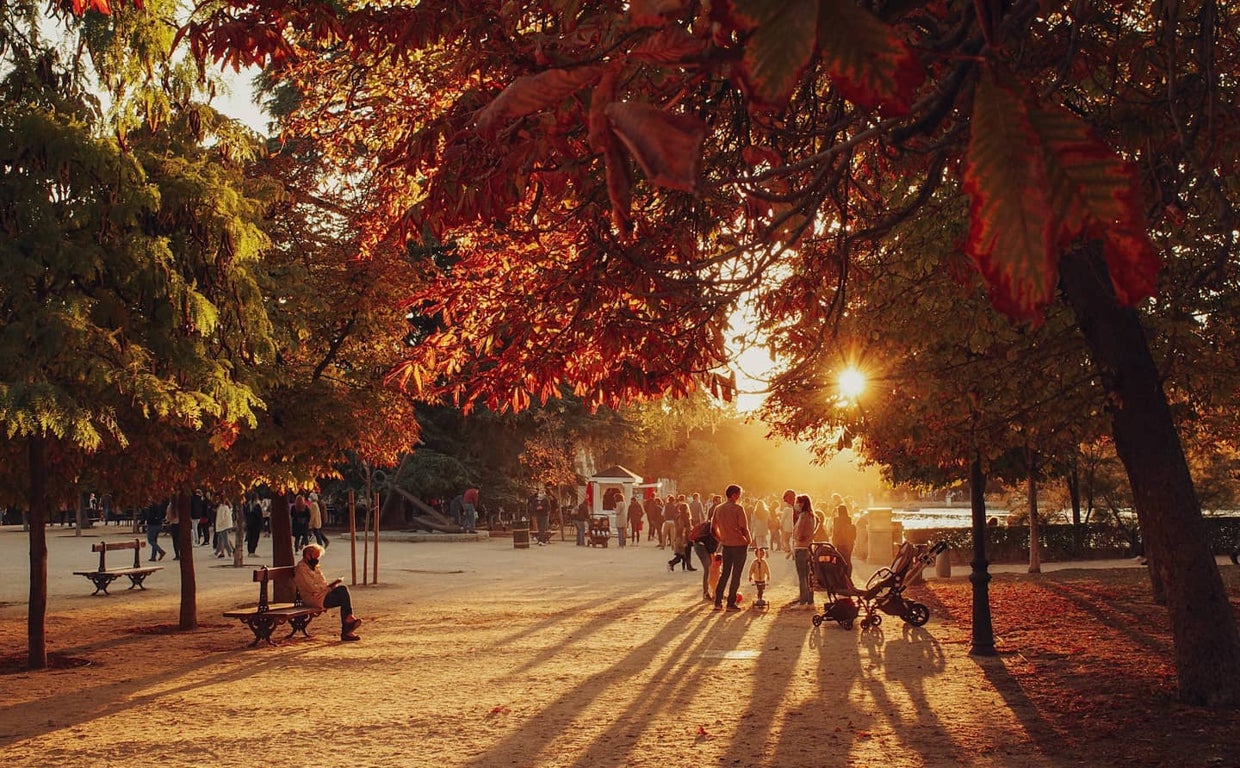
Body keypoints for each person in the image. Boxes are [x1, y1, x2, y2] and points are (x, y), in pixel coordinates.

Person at [293, 544, 363, 642]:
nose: (317, 559)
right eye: (316, 556)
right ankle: (347, 628)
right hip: (312, 598)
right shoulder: (301, 569)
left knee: (342, 589)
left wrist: (331, 586)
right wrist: (328, 588)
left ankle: (348, 620)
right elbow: (312, 588)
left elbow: (323, 583)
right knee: (342, 597)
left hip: (322, 594)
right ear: (308, 555)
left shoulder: (315, 567)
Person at [711, 484, 750, 611]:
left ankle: (717, 601)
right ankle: (731, 602)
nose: (740, 496)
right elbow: (744, 528)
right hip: (739, 544)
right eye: (739, 494)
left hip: (726, 544)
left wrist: (721, 538)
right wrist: (748, 540)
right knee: (736, 574)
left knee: (725, 573)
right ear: (734, 495)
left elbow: (713, 528)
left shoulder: (718, 508)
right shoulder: (738, 508)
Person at [791, 494, 820, 607]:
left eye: (798, 502)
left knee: (802, 576)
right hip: (808, 547)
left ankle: (803, 601)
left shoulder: (803, 516)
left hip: (801, 548)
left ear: (802, 503)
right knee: (808, 576)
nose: (796, 505)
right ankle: (810, 600)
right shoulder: (812, 516)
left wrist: (796, 537)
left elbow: (798, 533)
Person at [689, 517, 719, 600]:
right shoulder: (714, 530)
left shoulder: (712, 525)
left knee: (712, 568)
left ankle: (715, 591)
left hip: (701, 544)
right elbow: (711, 548)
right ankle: (706, 593)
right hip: (700, 546)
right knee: (708, 568)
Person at [666, 502, 696, 571]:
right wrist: (687, 532)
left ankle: (686, 566)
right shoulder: (684, 517)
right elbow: (682, 527)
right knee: (684, 553)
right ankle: (672, 563)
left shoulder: (678, 516)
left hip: (679, 536)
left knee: (683, 554)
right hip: (684, 536)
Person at [832, 502, 857, 569]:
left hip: (841, 543)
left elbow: (835, 532)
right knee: (848, 559)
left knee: (841, 560)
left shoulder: (837, 520)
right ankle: (848, 574)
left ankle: (842, 574)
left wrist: (834, 542)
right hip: (849, 543)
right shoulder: (849, 518)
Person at [779, 489, 796, 558]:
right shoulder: (795, 508)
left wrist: (780, 525)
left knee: (786, 539)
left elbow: (782, 519)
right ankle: (793, 552)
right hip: (794, 526)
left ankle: (789, 550)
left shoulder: (786, 509)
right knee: (793, 540)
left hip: (787, 527)